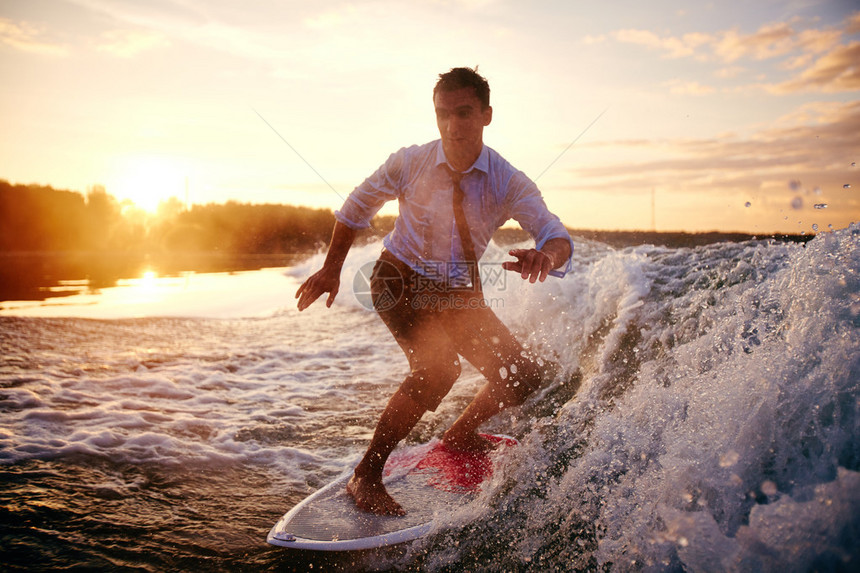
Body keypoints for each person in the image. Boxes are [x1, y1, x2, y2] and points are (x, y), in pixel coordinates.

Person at [295, 67, 573, 516]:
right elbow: (356, 206)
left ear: (486, 115)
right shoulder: (410, 162)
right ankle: (365, 473)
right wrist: (331, 268)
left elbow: (554, 233)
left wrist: (547, 257)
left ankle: (460, 434)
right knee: (438, 369)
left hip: (455, 292)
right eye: (443, 114)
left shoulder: (507, 180)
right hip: (396, 278)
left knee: (523, 372)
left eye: (464, 113)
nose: (452, 126)